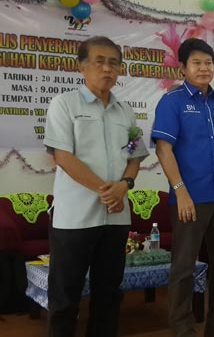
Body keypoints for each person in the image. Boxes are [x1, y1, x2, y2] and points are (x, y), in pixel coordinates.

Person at [44, 36, 149, 337]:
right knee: (65, 296)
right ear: (82, 67)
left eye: (113, 63)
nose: (107, 69)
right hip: (74, 217)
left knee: (109, 293)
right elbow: (63, 156)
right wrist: (108, 189)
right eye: (99, 61)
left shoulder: (125, 112)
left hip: (116, 217)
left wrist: (124, 185)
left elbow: (136, 155)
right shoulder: (64, 104)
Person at [151, 38, 214, 337]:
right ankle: (183, 329)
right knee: (184, 269)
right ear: (183, 68)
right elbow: (163, 150)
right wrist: (180, 192)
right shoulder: (173, 101)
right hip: (189, 199)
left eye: (208, 63)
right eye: (197, 63)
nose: (204, 68)